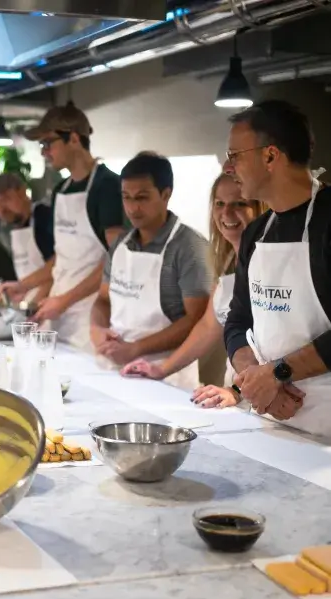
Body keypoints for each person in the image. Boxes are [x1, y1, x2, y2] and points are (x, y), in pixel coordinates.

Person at [223, 100, 331, 434]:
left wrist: (277, 374)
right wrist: (256, 379)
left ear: (270, 156)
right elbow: (237, 321)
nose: (228, 168)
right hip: (271, 421)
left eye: (234, 156)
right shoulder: (257, 232)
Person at [120, 173, 266, 405]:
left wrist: (236, 390)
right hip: (240, 393)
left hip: (268, 393)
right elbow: (209, 326)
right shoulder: (227, 263)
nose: (226, 213)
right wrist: (161, 369)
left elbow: (274, 348)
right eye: (219, 204)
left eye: (239, 204)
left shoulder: (268, 265)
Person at [2, 101, 125, 349]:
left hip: (93, 316)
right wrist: (23, 286)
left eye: (48, 143)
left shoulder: (107, 186)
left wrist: (65, 300)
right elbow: (61, 258)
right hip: (59, 311)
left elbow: (116, 261)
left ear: (75, 139)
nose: (44, 151)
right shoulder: (60, 190)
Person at [90, 152, 213, 390]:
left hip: (167, 375)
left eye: (142, 198)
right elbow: (103, 300)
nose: (133, 208)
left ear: (166, 195)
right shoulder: (120, 244)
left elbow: (195, 319)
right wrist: (97, 329)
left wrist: (136, 349)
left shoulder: (188, 246)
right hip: (114, 367)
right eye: (126, 198)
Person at [0, 172, 54, 303]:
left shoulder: (43, 217)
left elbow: (57, 268)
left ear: (23, 192)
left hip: (54, 305)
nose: (2, 209)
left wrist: (30, 304)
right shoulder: (15, 227)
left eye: (6, 199)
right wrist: (15, 298)